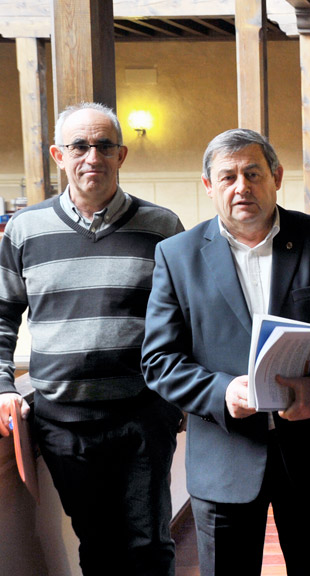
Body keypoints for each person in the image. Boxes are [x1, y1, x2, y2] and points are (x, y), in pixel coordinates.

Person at [141, 129, 310, 575]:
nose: (242, 187)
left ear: (277, 176)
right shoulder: (177, 256)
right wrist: (221, 392)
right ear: (208, 186)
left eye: (253, 173)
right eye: (228, 176)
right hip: (224, 457)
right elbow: (159, 361)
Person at [0, 102, 184, 575]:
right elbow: (1, 317)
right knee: (97, 545)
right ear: (59, 154)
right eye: (80, 146)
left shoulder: (161, 228)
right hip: (63, 422)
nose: (92, 157)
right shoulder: (24, 230)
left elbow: (186, 319)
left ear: (121, 155)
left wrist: (177, 399)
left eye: (104, 145)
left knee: (150, 546)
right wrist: (3, 386)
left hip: (143, 414)